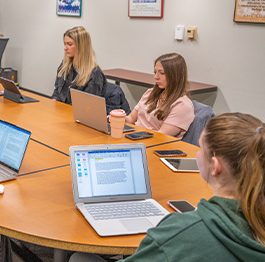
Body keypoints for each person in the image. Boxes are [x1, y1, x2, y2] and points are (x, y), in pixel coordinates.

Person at [70, 112, 265, 262]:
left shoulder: (181, 231)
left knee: (79, 258)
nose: (196, 154)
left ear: (215, 166)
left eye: (200, 148)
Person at [125, 53, 194, 138]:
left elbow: (160, 136)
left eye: (161, 73)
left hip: (154, 144)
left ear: (175, 76)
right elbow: (131, 119)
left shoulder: (182, 105)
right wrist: (119, 119)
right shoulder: (150, 93)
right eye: (155, 72)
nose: (156, 77)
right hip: (135, 138)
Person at [51, 26, 108, 105]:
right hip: (61, 111)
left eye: (69, 44)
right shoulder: (65, 66)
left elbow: (87, 108)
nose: (65, 48)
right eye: (65, 44)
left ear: (81, 46)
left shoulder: (94, 74)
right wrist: (54, 101)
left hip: (76, 116)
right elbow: (57, 91)